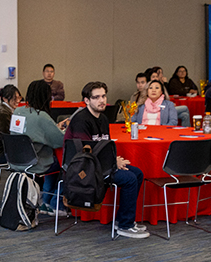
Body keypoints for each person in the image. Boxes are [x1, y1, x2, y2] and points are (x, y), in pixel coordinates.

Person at [64, 81, 149, 239]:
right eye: (96, 97)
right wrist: (112, 163)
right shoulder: (81, 120)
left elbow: (105, 146)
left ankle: (122, 220)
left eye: (103, 96)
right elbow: (84, 153)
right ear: (87, 100)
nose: (102, 100)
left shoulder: (103, 118)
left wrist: (114, 159)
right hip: (84, 169)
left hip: (99, 164)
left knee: (137, 173)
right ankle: (125, 226)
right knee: (130, 179)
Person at [11, 80, 67, 216]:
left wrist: (54, 128)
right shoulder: (41, 116)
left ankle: (45, 200)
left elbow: (30, 132)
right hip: (35, 163)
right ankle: (55, 204)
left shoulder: (17, 111)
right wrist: (65, 131)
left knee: (53, 160)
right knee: (66, 164)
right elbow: (59, 141)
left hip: (15, 159)